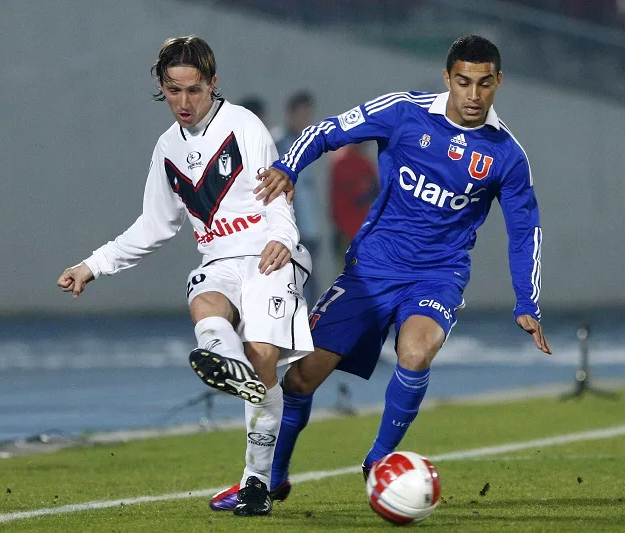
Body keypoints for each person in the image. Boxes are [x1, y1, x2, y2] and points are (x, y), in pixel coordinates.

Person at [211, 34, 550, 509]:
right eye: (464, 82)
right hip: (371, 270)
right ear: (447, 78)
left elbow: (525, 230)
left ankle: (378, 463)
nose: (474, 95)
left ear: (499, 82)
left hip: (439, 275)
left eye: (484, 83)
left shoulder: (506, 154)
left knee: (415, 352)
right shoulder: (403, 111)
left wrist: (526, 300)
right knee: (301, 380)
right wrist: (289, 166)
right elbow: (326, 131)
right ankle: (272, 479)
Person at [56, 35, 313, 516]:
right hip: (219, 261)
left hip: (268, 255)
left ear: (213, 83)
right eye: (173, 90)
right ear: (162, 86)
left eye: (194, 89)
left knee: (262, 359)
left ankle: (255, 481)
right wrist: (92, 265)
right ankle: (226, 359)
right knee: (204, 302)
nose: (183, 101)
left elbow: (275, 189)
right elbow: (155, 225)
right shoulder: (167, 148)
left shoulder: (244, 125)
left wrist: (283, 235)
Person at [271, 91, 323, 304]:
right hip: (288, 226)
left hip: (310, 229)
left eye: (308, 115)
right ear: (289, 114)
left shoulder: (309, 142)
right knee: (288, 281)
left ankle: (309, 321)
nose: (304, 119)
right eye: (301, 114)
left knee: (309, 280)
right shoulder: (276, 142)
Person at [329, 142, 379, 260]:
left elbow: (374, 189)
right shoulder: (348, 162)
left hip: (354, 228)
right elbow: (365, 195)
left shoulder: (358, 161)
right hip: (350, 229)